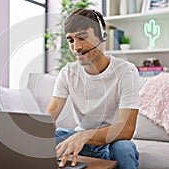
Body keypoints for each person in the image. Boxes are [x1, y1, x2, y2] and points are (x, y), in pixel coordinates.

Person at [46, 9, 140, 169]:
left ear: (103, 36)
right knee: (50, 139)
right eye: (70, 40)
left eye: (82, 37)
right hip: (79, 139)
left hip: (113, 142)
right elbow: (50, 115)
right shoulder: (67, 73)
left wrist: (84, 136)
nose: (76, 47)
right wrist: (44, 127)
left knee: (124, 149)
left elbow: (126, 129)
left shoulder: (126, 71)